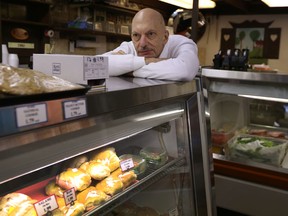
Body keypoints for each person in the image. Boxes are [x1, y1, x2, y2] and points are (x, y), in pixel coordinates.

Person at [102, 8, 199, 81]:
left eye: (150, 34)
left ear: (165, 37)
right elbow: (97, 64)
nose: (142, 43)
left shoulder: (182, 43)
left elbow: (184, 71)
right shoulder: (130, 46)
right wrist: (149, 61)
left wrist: (124, 70)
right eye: (136, 35)